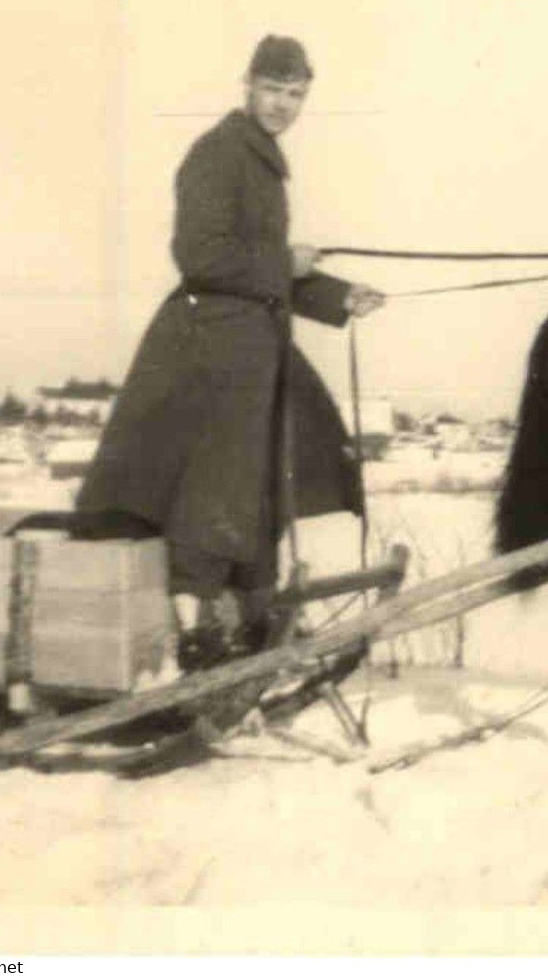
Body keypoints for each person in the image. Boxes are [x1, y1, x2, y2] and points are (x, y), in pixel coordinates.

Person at [74, 35, 386, 668]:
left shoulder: (261, 158)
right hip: (209, 355)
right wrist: (286, 261)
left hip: (251, 349)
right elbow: (201, 256)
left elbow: (260, 274)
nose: (282, 104)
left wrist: (336, 296)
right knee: (214, 492)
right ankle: (196, 636)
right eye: (272, 89)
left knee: (261, 488)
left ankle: (249, 620)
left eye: (295, 94)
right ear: (247, 84)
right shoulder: (219, 154)